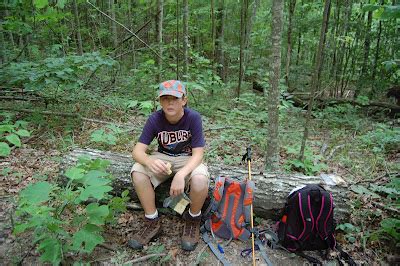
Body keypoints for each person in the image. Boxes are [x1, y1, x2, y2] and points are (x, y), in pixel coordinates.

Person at [128, 80, 209, 251]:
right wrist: (149, 161)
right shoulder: (155, 119)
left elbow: (198, 154)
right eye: (165, 98)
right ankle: (152, 221)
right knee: (138, 171)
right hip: (163, 158)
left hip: (187, 159)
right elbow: (137, 152)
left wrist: (181, 175)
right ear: (160, 101)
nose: (169, 103)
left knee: (200, 179)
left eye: (174, 98)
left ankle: (193, 219)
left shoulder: (193, 118)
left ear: (184, 100)